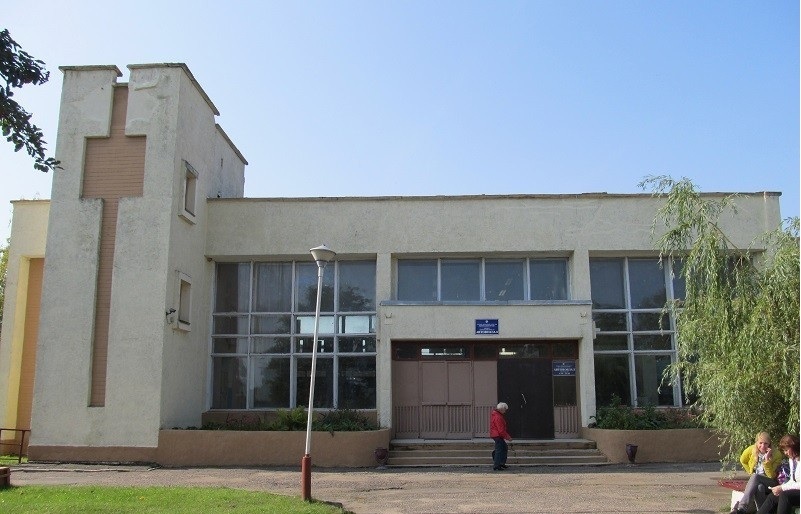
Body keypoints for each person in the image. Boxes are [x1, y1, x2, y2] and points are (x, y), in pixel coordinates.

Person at [730, 431, 783, 514]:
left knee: (755, 477)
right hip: (757, 480)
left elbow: (771, 476)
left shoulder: (777, 454)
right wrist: (750, 472)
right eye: (760, 443)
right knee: (759, 487)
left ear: (769, 444)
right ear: (756, 442)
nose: (762, 446)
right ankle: (762, 511)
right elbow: (743, 460)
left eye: (766, 443)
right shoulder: (751, 449)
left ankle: (741, 508)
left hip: (771, 481)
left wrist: (767, 461)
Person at [757, 434, 800, 514]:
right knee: (773, 496)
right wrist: (780, 487)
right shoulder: (792, 460)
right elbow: (793, 480)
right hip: (796, 490)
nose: (785, 453)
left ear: (794, 447)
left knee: (785, 495)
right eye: (784, 451)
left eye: (787, 450)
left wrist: (782, 488)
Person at [490, 402, 512, 471]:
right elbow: (501, 430)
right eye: (505, 409)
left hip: (496, 434)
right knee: (500, 450)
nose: (505, 411)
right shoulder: (498, 417)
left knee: (502, 448)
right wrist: (508, 437)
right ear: (501, 409)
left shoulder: (496, 415)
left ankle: (501, 463)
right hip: (497, 435)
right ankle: (497, 465)